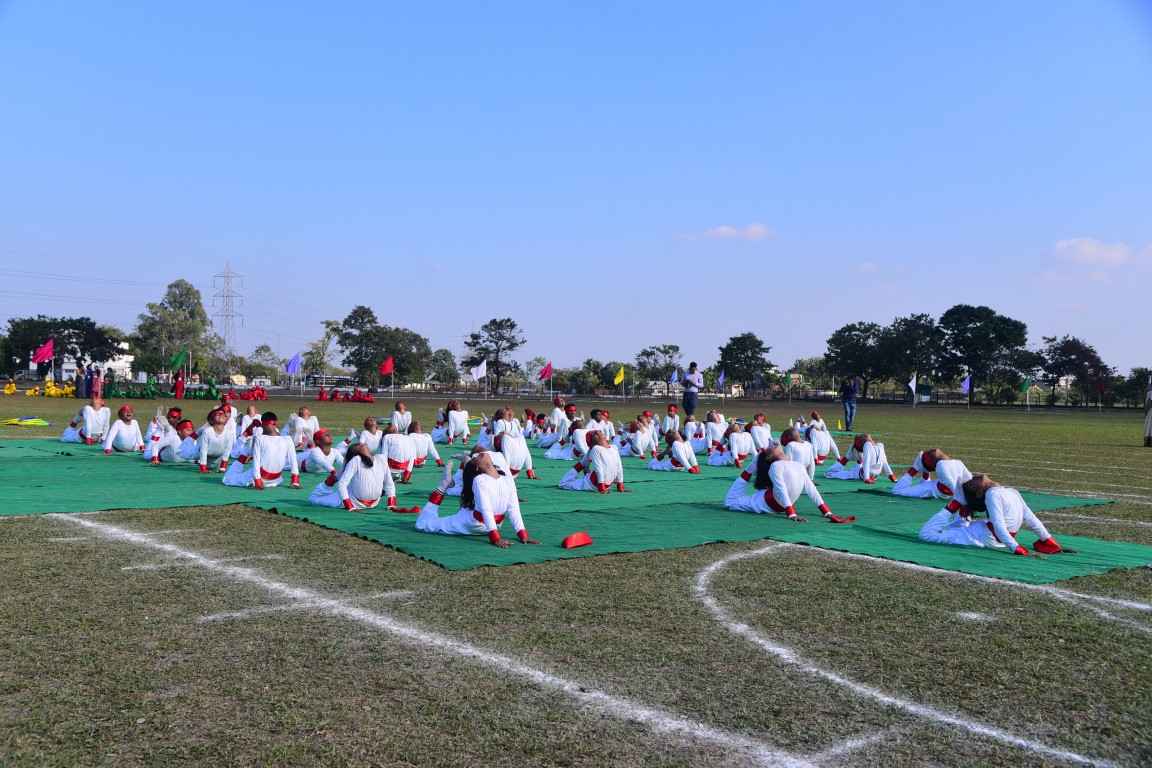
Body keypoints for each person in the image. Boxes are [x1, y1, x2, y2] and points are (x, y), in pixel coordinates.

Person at [919, 474, 1076, 556]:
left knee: (927, 534)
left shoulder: (1008, 492)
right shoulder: (993, 495)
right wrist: (1018, 548)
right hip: (982, 536)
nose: (973, 477)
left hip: (984, 536)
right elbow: (1000, 526)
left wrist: (1051, 543)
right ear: (980, 493)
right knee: (927, 535)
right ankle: (958, 503)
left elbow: (1030, 518)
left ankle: (960, 505)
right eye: (971, 483)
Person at [415, 454, 540, 547]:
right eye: (475, 458)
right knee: (466, 506)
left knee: (421, 525)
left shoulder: (506, 480)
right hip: (486, 523)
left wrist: (522, 534)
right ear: (477, 468)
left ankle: (443, 486)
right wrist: (496, 536)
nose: (480, 454)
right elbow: (486, 509)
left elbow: (514, 509)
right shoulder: (480, 479)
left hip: (476, 523)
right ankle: (454, 479)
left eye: (474, 458)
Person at [722, 447, 852, 522]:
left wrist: (827, 512)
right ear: (769, 456)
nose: (776, 445)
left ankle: (750, 470)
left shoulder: (798, 465)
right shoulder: (775, 465)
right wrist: (791, 514)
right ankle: (749, 470)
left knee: (731, 501)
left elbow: (811, 489)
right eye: (772, 447)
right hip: (764, 502)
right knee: (729, 503)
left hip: (772, 503)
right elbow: (780, 489)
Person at [309, 443, 404, 512]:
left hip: (373, 503)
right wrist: (350, 507)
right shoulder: (356, 460)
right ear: (355, 454)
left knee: (341, 474)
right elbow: (341, 485)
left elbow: (389, 483)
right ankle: (326, 486)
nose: (359, 443)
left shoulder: (381, 458)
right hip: (353, 501)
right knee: (313, 499)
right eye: (355, 446)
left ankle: (331, 483)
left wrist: (392, 504)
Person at [223, 412, 300, 489]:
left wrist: (258, 482)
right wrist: (295, 482)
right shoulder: (288, 439)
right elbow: (293, 461)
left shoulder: (260, 439)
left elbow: (256, 462)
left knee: (227, 479)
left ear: (265, 425)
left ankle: (246, 436)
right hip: (276, 479)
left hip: (259, 478)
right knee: (250, 448)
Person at [558, 431, 628, 493]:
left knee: (586, 464)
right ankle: (584, 465)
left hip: (602, 483)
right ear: (593, 443)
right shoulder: (596, 448)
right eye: (593, 434)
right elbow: (599, 468)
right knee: (563, 484)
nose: (597, 432)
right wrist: (601, 488)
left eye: (597, 431)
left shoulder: (614, 447)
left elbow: (619, 467)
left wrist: (620, 485)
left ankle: (585, 465)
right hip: (591, 483)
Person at [892, 448, 972, 500]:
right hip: (937, 486)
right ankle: (925, 470)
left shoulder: (942, 464)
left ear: (933, 462)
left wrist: (961, 501)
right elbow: (970, 479)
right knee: (926, 483)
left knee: (897, 491)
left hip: (932, 490)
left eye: (929, 452)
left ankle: (916, 467)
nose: (935, 449)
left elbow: (952, 483)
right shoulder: (958, 462)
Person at [822, 434, 896, 483]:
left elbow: (870, 461)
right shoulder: (877, 445)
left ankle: (847, 457)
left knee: (828, 473)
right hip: (872, 475)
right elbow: (883, 462)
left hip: (860, 474)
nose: (866, 435)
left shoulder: (872, 445)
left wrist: (866, 478)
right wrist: (892, 477)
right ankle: (858, 459)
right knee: (861, 462)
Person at [197, 408, 238, 472]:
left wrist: (222, 468)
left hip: (217, 458)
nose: (221, 415)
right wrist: (203, 468)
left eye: (223, 415)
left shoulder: (229, 433)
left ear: (226, 421)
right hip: (197, 452)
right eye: (218, 414)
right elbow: (203, 451)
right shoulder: (207, 432)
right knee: (181, 453)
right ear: (211, 421)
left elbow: (227, 451)